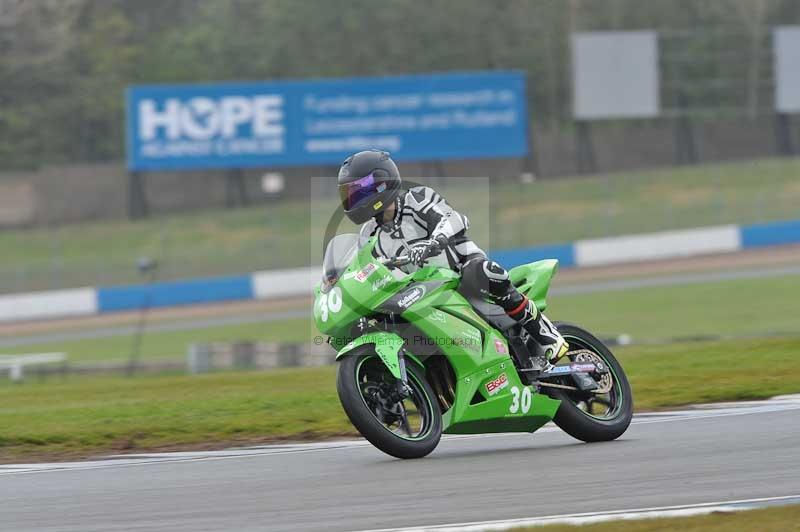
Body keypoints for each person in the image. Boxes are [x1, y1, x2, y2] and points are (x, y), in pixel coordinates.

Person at [338, 150, 568, 362]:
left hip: (459, 270)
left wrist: (434, 241)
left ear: (382, 183)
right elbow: (364, 270)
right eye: (349, 193)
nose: (354, 198)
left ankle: (546, 334)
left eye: (359, 190)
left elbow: (454, 219)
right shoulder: (367, 234)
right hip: (422, 293)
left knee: (481, 272)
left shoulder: (417, 199)